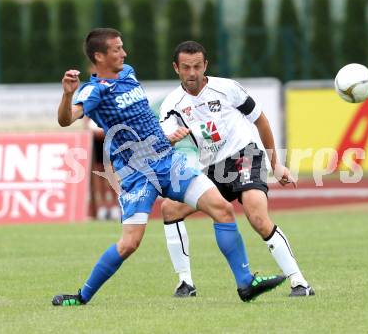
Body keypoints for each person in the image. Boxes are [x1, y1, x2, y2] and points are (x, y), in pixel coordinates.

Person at [52, 28, 285, 306]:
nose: (123, 53)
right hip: (137, 175)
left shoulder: (128, 72)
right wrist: (67, 96)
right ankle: (81, 296)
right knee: (129, 244)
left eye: (122, 47)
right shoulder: (92, 91)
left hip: (168, 163)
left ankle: (245, 284)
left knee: (222, 210)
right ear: (99, 56)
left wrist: (164, 136)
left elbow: (140, 120)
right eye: (116, 49)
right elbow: (67, 119)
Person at [159, 41, 314, 298]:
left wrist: (275, 163)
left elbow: (261, 121)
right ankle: (185, 283)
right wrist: (171, 137)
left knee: (257, 218)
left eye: (197, 66)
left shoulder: (227, 88)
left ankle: (299, 283)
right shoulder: (172, 103)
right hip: (210, 167)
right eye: (186, 67)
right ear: (176, 68)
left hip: (244, 156)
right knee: (170, 208)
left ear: (205, 65)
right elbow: (164, 136)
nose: (192, 73)